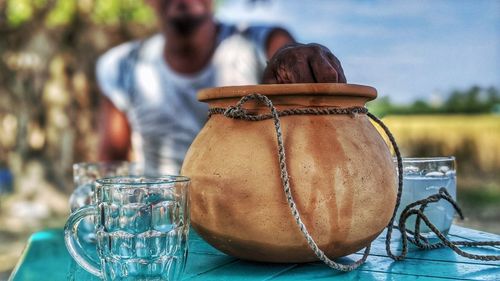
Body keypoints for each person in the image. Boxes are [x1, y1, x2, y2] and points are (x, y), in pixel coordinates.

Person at [96, 0, 346, 175]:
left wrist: (295, 56)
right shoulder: (121, 65)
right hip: (162, 219)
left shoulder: (259, 41)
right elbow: (111, 162)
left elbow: (283, 51)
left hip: (244, 209)